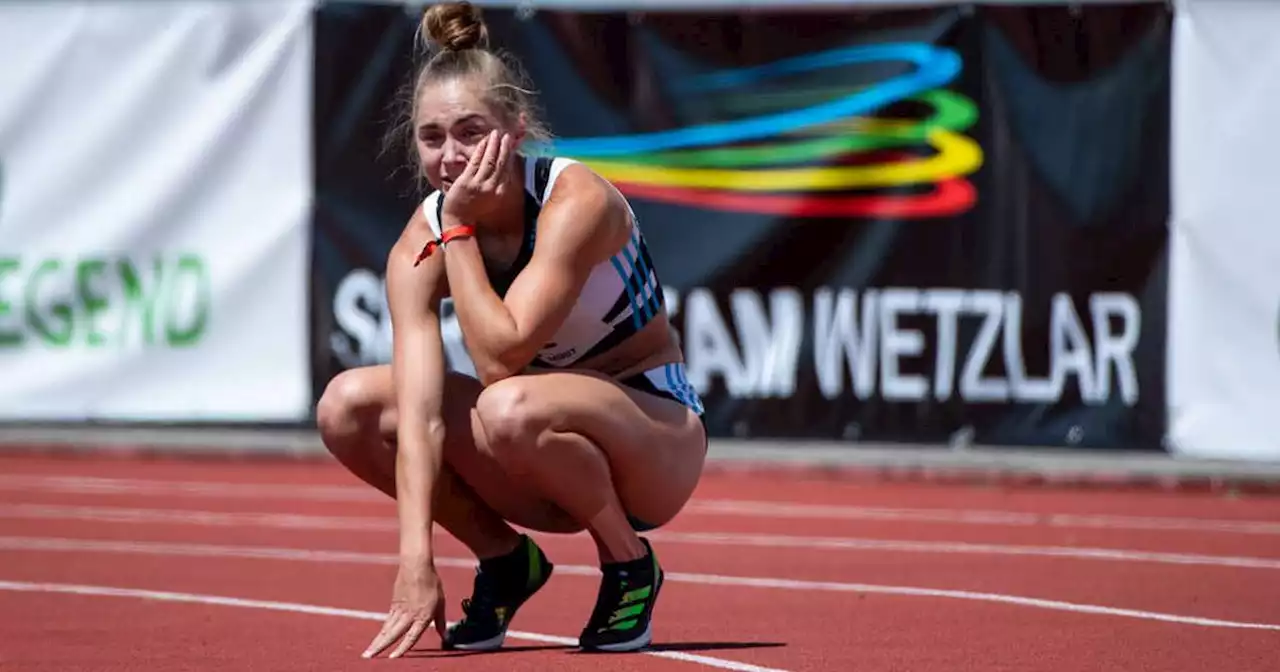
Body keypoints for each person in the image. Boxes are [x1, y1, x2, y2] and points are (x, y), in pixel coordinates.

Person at [315, 1, 708, 660]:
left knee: (507, 400)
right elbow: (419, 417)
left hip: (653, 444)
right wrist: (417, 561)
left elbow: (500, 358)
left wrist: (460, 229)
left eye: (470, 131)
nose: (450, 156)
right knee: (346, 406)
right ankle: (504, 560)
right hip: (532, 450)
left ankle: (629, 561)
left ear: (516, 130)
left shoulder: (575, 203)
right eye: (432, 137)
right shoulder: (418, 243)